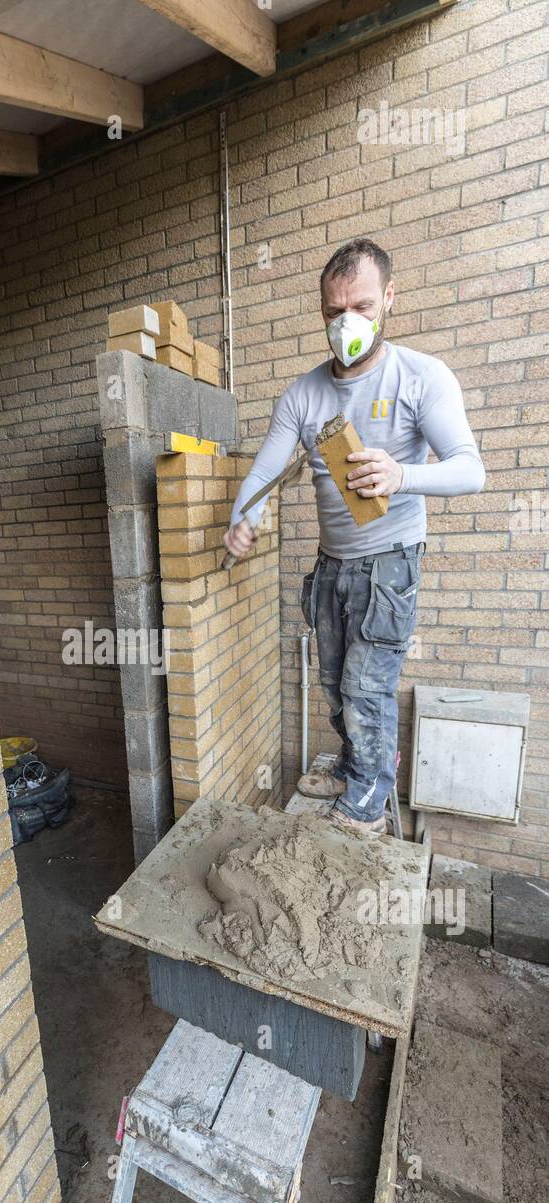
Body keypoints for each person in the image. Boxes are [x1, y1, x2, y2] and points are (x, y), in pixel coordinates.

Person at [223, 238, 485, 833]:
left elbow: (471, 469)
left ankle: (367, 796)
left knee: (368, 688)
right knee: (336, 684)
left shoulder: (421, 376)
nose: (348, 324)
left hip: (389, 563)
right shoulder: (304, 394)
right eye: (333, 312)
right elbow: (265, 471)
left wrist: (402, 473)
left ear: (389, 298)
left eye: (362, 307)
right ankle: (351, 765)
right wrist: (244, 518)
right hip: (332, 564)